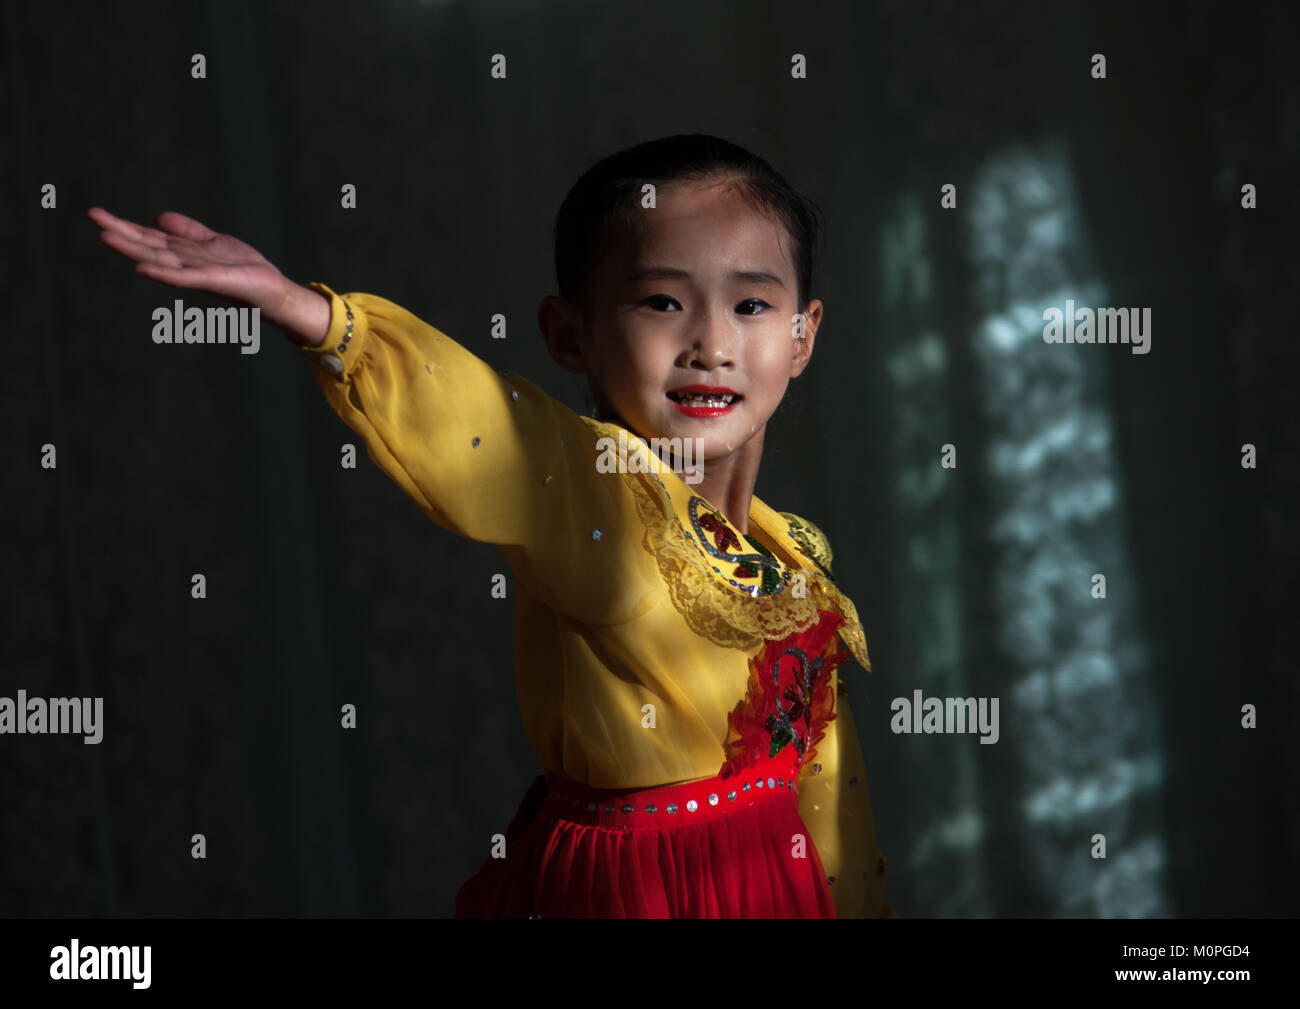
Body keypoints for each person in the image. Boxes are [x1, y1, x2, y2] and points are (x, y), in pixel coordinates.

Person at [86, 133, 897, 918]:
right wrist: (319, 319)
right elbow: (486, 426)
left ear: (803, 335)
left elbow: (831, 799)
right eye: (661, 301)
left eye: (752, 303)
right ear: (568, 334)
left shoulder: (787, 557)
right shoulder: (599, 493)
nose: (711, 343)